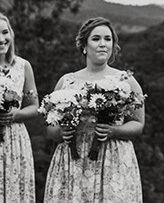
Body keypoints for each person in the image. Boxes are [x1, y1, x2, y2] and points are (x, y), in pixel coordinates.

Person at [44, 17, 145, 202]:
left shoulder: (126, 81)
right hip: (72, 161)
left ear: (113, 45)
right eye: (96, 39)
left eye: (108, 39)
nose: (103, 44)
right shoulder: (67, 81)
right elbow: (50, 129)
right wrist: (61, 132)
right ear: (84, 45)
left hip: (112, 160)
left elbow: (138, 124)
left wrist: (114, 131)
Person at [0, 14, 38, 202]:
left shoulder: (23, 66)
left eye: (4, 32)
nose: (1, 39)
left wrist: (17, 114)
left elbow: (35, 107)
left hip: (15, 140)